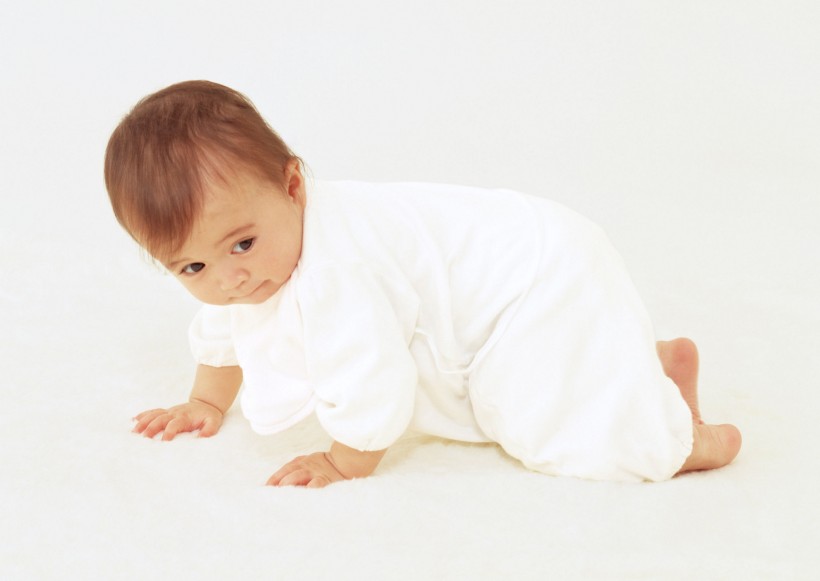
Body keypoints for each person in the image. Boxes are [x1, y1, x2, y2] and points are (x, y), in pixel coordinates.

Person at [104, 80, 741, 488]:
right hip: (525, 256)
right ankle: (637, 368)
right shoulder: (261, 254)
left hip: (535, 276)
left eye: (241, 245)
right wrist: (206, 402)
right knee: (547, 382)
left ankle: (684, 442)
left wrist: (344, 461)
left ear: (292, 186)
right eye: (191, 268)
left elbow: (375, 378)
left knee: (541, 427)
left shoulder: (336, 271)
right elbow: (225, 328)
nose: (231, 278)